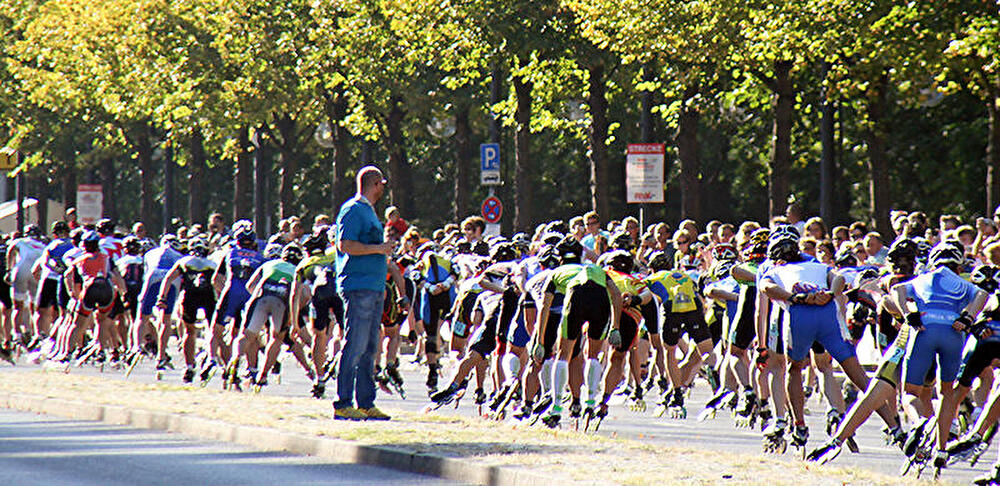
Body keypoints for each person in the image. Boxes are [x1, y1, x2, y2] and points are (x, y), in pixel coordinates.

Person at [332, 165, 394, 421]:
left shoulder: (368, 211)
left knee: (370, 347)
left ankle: (366, 402)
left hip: (374, 286)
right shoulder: (353, 209)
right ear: (375, 184)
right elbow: (345, 244)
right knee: (355, 344)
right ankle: (343, 402)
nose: (384, 189)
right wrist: (379, 248)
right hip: (358, 286)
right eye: (382, 184)